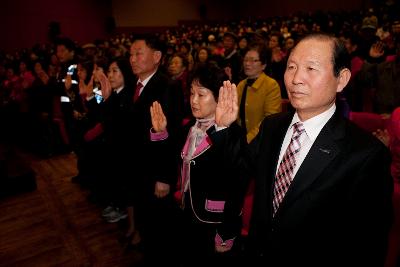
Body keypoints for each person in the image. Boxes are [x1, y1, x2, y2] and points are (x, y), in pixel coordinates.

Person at [210, 33, 393, 267]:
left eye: (311, 68)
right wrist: (224, 128)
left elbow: (367, 245)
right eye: (292, 67)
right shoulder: (272, 126)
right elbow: (236, 172)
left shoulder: (366, 154)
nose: (296, 78)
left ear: (342, 79)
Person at [150, 62, 246, 267]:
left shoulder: (232, 134)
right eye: (192, 93)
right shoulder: (189, 127)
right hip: (187, 212)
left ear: (219, 97)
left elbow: (237, 187)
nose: (193, 100)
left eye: (201, 94)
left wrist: (227, 234)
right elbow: (173, 159)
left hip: (213, 220)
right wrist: (161, 134)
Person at [129, 33, 184, 265]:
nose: (132, 59)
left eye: (138, 53)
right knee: (146, 223)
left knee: (160, 227)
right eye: (130, 54)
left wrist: (164, 176)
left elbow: (173, 136)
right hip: (140, 169)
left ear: (157, 56)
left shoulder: (166, 87)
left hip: (156, 173)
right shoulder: (139, 85)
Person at [237, 42, 282, 143]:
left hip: (261, 142)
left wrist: (247, 139)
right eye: (246, 60)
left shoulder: (271, 85)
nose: (247, 63)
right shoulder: (241, 85)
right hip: (241, 140)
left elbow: (270, 119)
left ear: (264, 65)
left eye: (253, 61)